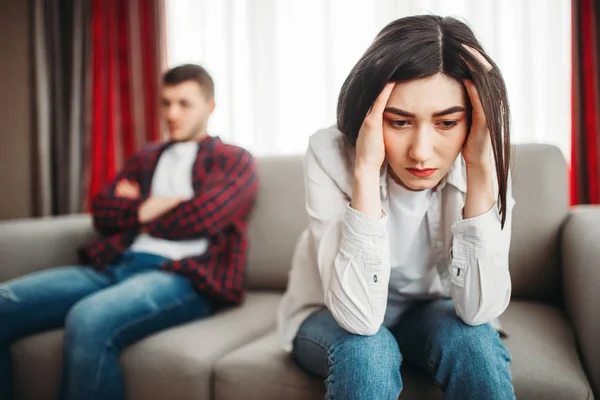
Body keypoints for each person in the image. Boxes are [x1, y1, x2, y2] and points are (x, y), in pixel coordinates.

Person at [277, 15, 516, 400]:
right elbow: (358, 319)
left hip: (430, 312)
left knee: (475, 347)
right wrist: (367, 170)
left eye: (447, 122)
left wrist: (480, 167)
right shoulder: (328, 153)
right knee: (367, 352)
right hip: (331, 311)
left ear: (472, 121)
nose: (421, 152)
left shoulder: (485, 155)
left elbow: (477, 310)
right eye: (400, 122)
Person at [0, 64, 259, 400]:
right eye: (166, 103)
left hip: (181, 276)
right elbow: (103, 212)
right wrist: (148, 208)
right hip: (113, 266)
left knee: (90, 317)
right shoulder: (147, 157)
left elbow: (203, 219)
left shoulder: (235, 160)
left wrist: (138, 209)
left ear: (210, 106)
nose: (172, 113)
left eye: (184, 103)